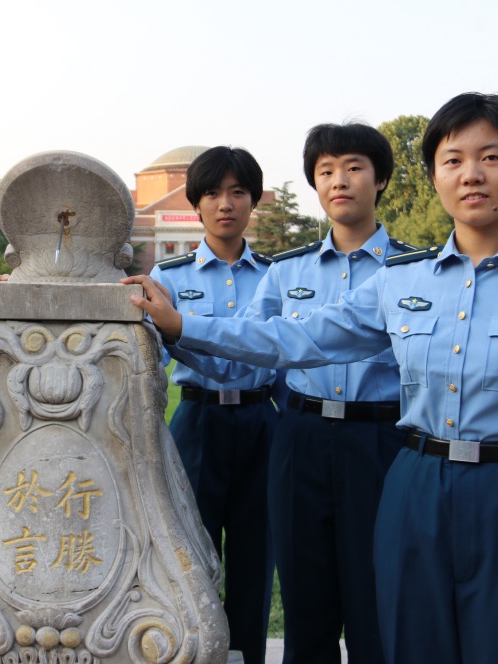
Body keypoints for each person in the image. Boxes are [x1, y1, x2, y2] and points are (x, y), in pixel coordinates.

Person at [125, 93, 498, 664]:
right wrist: (182, 323)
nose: (472, 175)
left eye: (492, 157)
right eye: (453, 160)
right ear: (434, 176)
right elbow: (298, 338)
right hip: (414, 484)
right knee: (407, 644)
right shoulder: (400, 283)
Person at [251, 123, 407, 663]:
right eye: (325, 171)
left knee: (376, 600)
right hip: (302, 438)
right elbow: (253, 348)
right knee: (305, 600)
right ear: (316, 185)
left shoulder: (416, 271)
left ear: (381, 178)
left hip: (383, 441)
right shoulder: (286, 271)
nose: (339, 180)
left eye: (354, 167)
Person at [148, 146, 280, 664]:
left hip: (260, 421)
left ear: (254, 202)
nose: (225, 203)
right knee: (189, 551)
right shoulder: (169, 274)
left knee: (255, 553)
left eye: (238, 192)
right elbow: (151, 357)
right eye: (212, 194)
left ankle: (245, 651)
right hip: (197, 421)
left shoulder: (277, 275)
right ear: (195, 204)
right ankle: (194, 651)